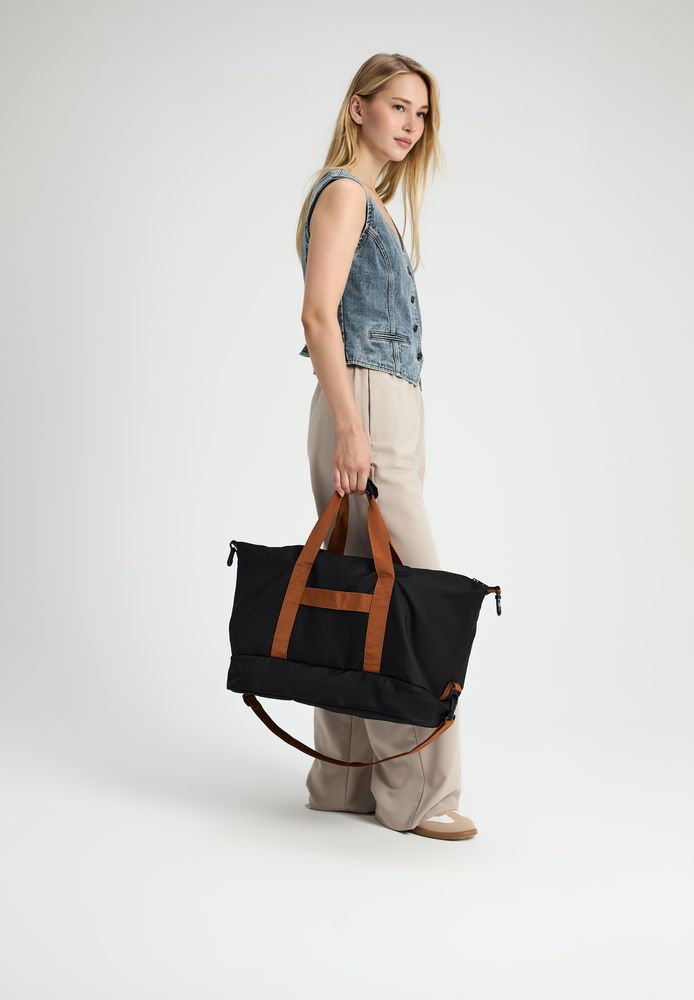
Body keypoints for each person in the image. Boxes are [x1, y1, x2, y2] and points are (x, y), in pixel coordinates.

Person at [296, 53, 478, 841]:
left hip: (373, 401)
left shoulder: (369, 200)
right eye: (398, 106)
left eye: (422, 113)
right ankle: (421, 795)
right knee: (413, 595)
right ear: (359, 107)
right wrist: (353, 425)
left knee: (356, 587)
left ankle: (346, 782)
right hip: (364, 400)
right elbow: (318, 316)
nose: (411, 124)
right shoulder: (345, 194)